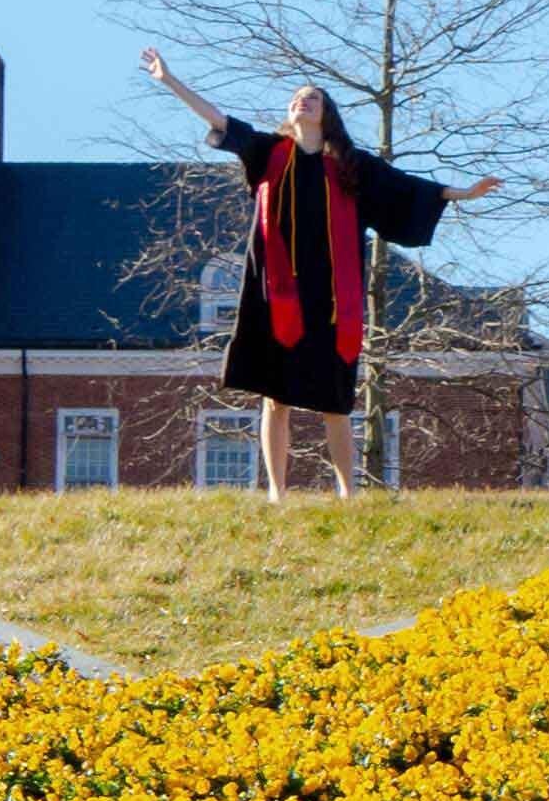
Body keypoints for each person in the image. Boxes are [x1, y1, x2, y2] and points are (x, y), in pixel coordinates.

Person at [139, 48, 502, 501]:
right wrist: (169, 80)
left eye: (312, 97)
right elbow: (219, 120)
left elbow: (406, 189)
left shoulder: (352, 166)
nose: (302, 101)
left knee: (334, 401)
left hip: (332, 298)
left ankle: (348, 493)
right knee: (275, 396)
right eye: (296, 97)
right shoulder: (268, 153)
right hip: (276, 292)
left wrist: (463, 193)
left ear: (326, 113)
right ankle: (277, 492)